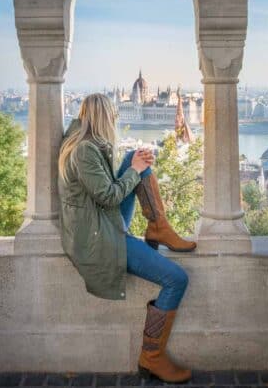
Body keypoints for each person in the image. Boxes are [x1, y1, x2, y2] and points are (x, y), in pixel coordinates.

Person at [57, 93, 196, 383]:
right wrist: (134, 171)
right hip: (100, 239)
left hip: (101, 223)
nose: (116, 122)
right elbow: (108, 196)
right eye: (113, 116)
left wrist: (135, 166)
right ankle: (152, 357)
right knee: (176, 279)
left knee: (139, 159)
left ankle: (159, 227)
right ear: (104, 118)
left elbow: (107, 192)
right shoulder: (85, 151)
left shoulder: (86, 144)